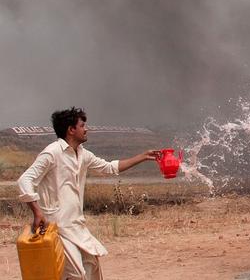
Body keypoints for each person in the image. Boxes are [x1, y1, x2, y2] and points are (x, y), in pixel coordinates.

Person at [17, 107, 160, 280]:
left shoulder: (83, 154)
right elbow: (25, 180)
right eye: (82, 125)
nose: (86, 129)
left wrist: (143, 156)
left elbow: (110, 168)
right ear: (71, 130)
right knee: (77, 274)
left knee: (92, 267)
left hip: (76, 224)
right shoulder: (52, 153)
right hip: (56, 226)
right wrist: (37, 212)